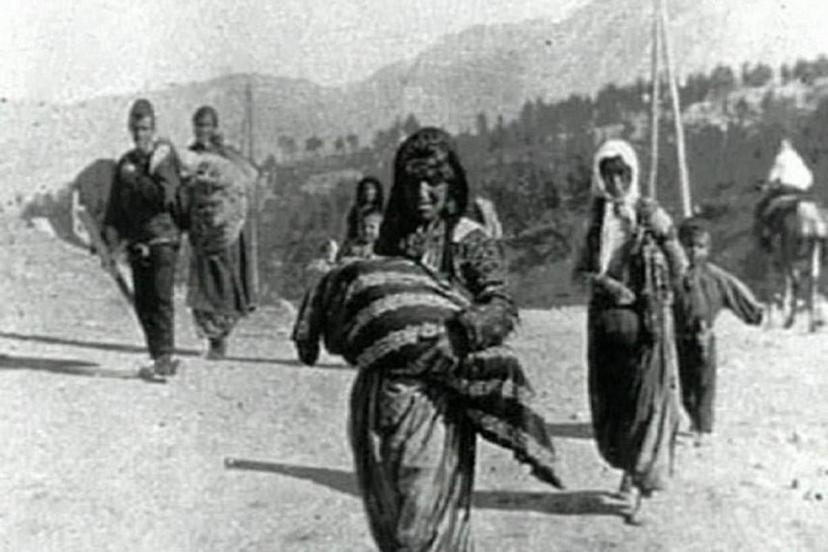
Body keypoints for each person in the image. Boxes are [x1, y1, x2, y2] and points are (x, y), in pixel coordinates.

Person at [331, 127, 562, 551]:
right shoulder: (389, 238)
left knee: (424, 528)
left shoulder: (467, 239)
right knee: (390, 524)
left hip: (436, 397)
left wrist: (462, 332)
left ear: (450, 183)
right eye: (412, 182)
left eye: (433, 182)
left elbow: (500, 304)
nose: (422, 193)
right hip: (378, 396)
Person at [573, 139, 687, 525]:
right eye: (609, 175)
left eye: (622, 174)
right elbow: (580, 272)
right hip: (607, 326)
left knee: (646, 404)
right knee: (615, 405)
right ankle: (627, 471)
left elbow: (680, 264)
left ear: (633, 174)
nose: (616, 182)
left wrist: (663, 241)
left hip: (648, 325)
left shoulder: (649, 213)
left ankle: (641, 487)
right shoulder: (595, 219)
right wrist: (606, 284)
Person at [102, 99, 183, 379]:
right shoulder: (125, 163)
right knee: (143, 302)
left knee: (160, 298)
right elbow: (115, 207)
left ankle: (165, 356)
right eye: (136, 129)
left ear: (153, 129)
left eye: (145, 129)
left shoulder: (163, 158)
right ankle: (157, 356)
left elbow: (164, 197)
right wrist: (109, 239)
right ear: (129, 129)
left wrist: (136, 179)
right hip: (137, 241)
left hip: (163, 238)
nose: (140, 134)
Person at [673, 218, 763, 446]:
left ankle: (703, 427)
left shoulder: (715, 276)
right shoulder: (672, 276)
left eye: (700, 247)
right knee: (685, 384)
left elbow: (736, 291)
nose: (694, 251)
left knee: (704, 382)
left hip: (704, 336)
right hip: (677, 338)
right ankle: (692, 417)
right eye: (689, 246)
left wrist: (754, 312)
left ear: (708, 249)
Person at [179, 105, 258, 360]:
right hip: (201, 228)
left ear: (214, 128)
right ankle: (208, 336)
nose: (202, 130)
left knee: (223, 282)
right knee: (203, 283)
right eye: (198, 125)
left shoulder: (227, 154)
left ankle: (220, 339)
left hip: (226, 229)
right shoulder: (190, 155)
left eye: (206, 126)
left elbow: (249, 177)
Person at [754, 138, 814, 251]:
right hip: (802, 192)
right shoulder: (798, 160)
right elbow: (809, 178)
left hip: (786, 190)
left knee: (765, 208)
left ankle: (767, 235)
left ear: (781, 147)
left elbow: (773, 176)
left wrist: (768, 184)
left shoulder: (781, 157)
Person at [344, 176, 384, 242]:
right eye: (366, 189)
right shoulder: (355, 211)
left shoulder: (382, 211)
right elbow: (350, 231)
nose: (368, 192)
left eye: (372, 189)